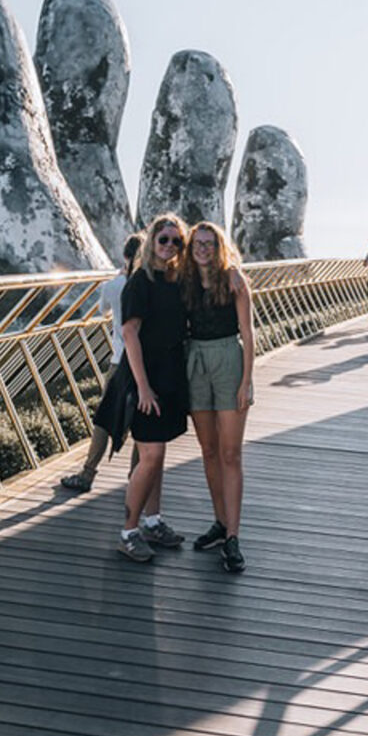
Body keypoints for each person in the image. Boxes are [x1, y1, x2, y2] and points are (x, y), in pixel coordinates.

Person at [110, 213, 190, 562]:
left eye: (177, 241)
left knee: (158, 454)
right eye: (164, 239)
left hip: (171, 374)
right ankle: (129, 531)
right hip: (146, 377)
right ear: (151, 241)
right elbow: (129, 334)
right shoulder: (139, 282)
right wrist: (143, 387)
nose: (169, 246)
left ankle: (154, 521)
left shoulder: (174, 281)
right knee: (151, 455)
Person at [182, 222, 254, 574]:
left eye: (210, 244)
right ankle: (220, 522)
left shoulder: (234, 279)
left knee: (230, 453)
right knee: (208, 451)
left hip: (228, 359)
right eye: (198, 243)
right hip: (195, 361)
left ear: (220, 247)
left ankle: (234, 537)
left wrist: (247, 381)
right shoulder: (185, 280)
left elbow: (247, 330)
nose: (204, 249)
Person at [60, 232, 143, 492]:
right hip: (147, 363)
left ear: (125, 256)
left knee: (105, 418)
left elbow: (101, 311)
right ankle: (135, 478)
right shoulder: (150, 285)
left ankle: (87, 474)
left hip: (120, 361)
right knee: (143, 422)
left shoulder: (114, 285)